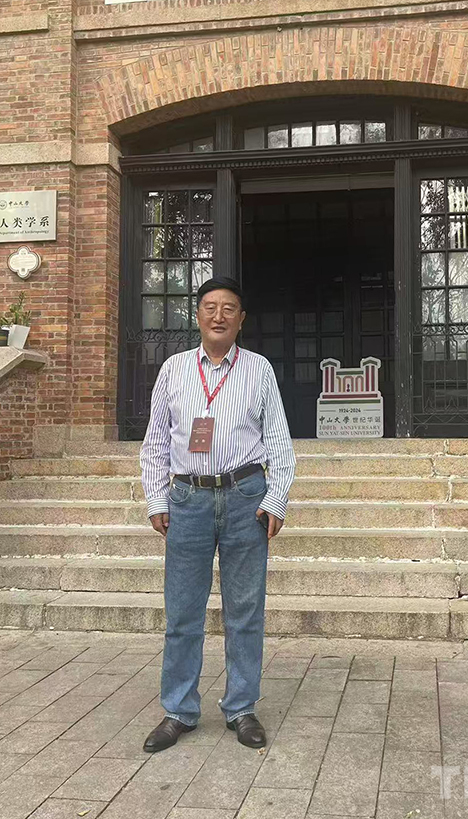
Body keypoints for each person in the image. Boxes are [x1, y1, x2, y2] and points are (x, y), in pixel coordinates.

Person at [140, 276, 295, 753]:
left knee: (244, 610)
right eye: (210, 307)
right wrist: (157, 499)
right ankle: (178, 710)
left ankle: (242, 708)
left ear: (241, 319)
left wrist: (275, 498)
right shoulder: (174, 369)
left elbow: (278, 440)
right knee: (182, 611)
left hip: (246, 498)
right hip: (188, 499)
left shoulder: (259, 369)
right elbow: (156, 441)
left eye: (229, 308)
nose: (219, 315)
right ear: (198, 315)